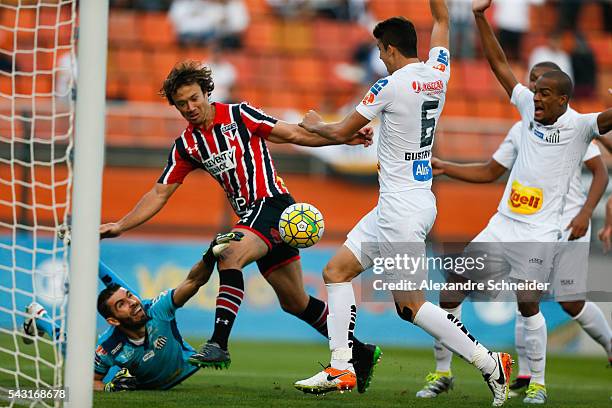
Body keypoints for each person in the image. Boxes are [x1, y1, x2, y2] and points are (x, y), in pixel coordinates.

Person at [98, 60, 381, 393]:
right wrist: (120, 225)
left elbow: (291, 133)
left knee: (228, 252)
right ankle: (360, 352)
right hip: (253, 220)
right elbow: (159, 192)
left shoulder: (239, 115)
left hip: (273, 205)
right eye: (181, 104)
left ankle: (218, 342)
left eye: (194, 99)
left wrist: (340, 137)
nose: (190, 108)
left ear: (207, 93)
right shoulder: (187, 146)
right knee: (294, 302)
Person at [294, 2, 514, 405]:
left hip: (400, 209)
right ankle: (341, 365)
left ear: (391, 48)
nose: (379, 57)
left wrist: (312, 125)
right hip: (409, 201)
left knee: (411, 307)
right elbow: (444, 20)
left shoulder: (388, 85)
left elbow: (341, 132)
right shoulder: (438, 72)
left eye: (380, 50)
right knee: (336, 271)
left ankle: (490, 363)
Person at [426, 0, 612, 404]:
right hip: (504, 222)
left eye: (544, 93)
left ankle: (538, 382)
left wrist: (584, 214)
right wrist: (479, 17)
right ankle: (442, 372)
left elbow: (606, 130)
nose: (536, 97)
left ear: (564, 99)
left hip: (543, 231)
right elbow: (498, 66)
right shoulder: (525, 113)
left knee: (530, 301)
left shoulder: (579, 127)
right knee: (450, 291)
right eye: (535, 91)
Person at [22, 232, 242, 390]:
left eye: (129, 297)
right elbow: (93, 382)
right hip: (141, 379)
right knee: (76, 357)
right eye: (122, 305)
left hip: (182, 367)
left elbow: (194, 281)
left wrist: (209, 256)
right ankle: (41, 317)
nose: (133, 302)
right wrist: (109, 386)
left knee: (131, 299)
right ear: (113, 321)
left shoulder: (157, 310)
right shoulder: (109, 347)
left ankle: (83, 253)